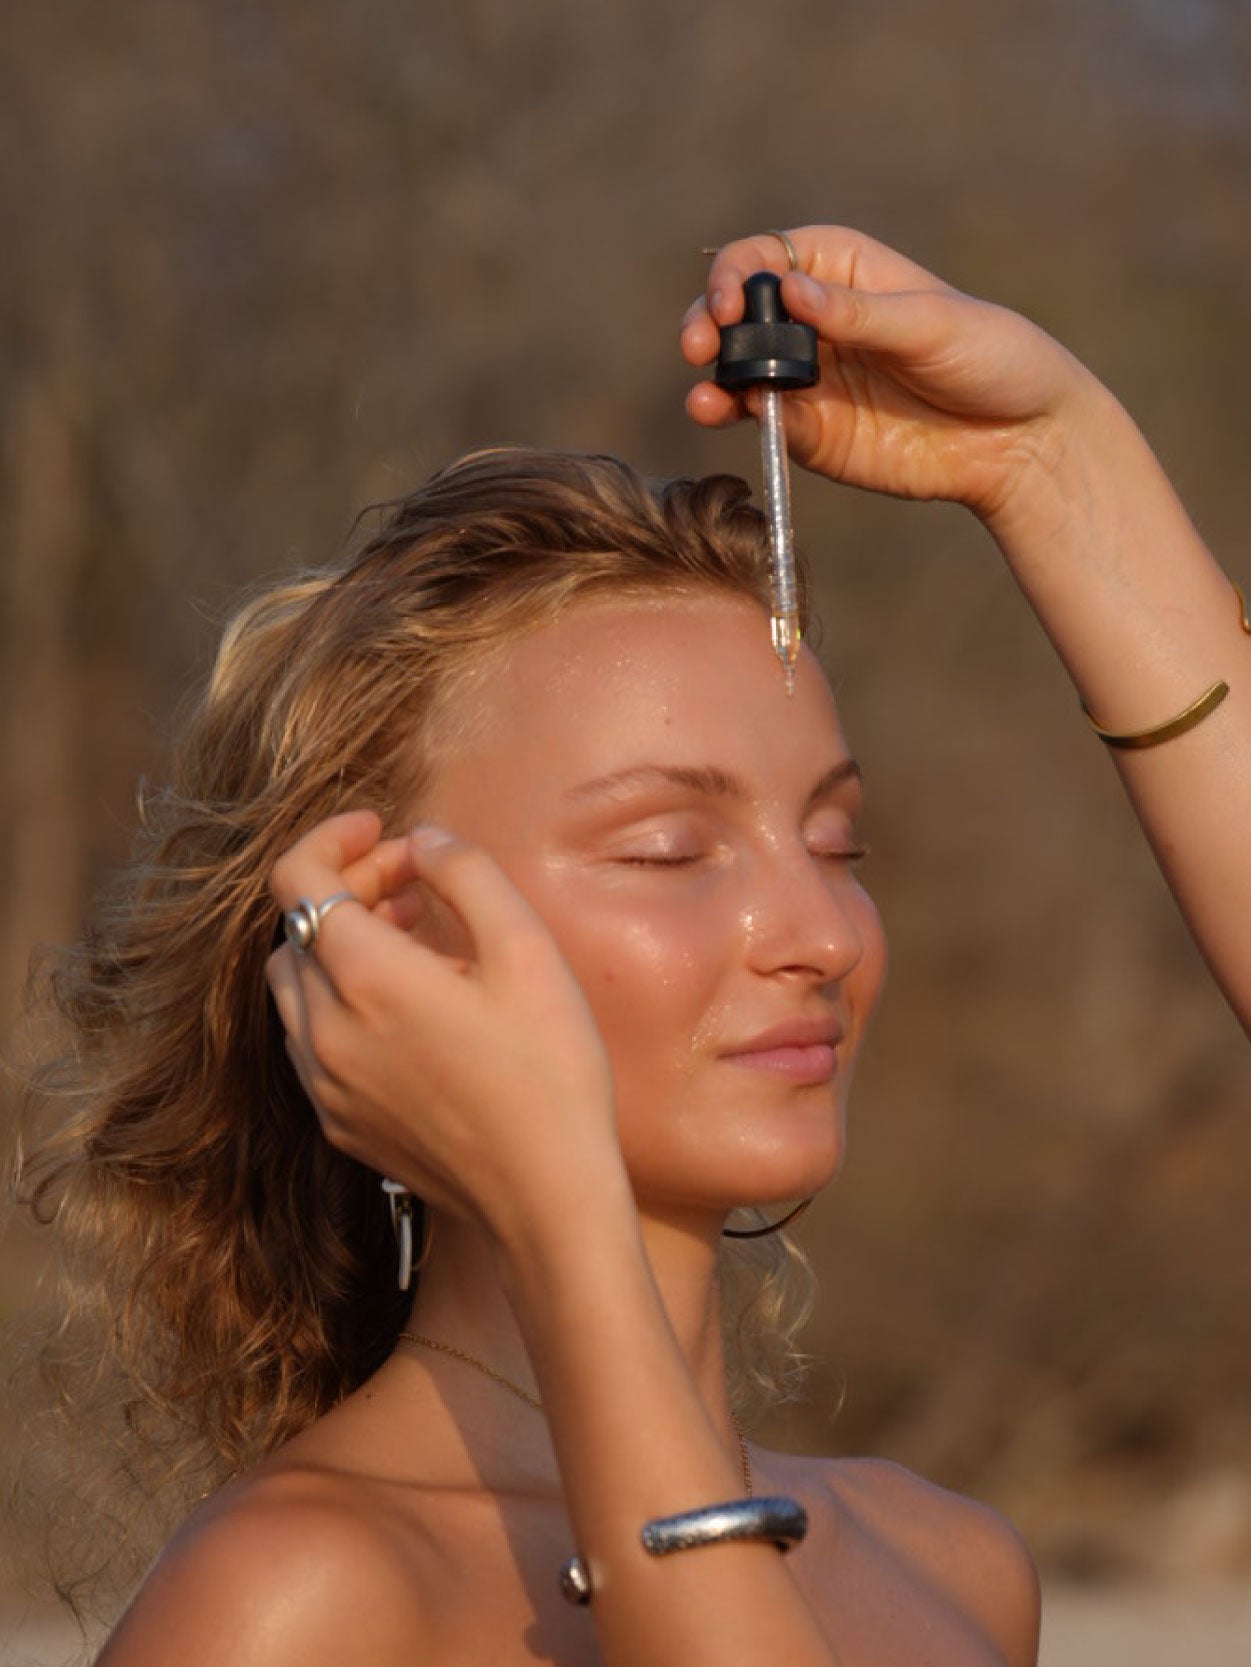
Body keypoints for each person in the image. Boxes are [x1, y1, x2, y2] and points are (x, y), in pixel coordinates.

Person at [16, 225, 1250, 1667]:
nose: (820, 933)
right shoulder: (297, 1605)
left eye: (840, 844)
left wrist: (1054, 462)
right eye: (670, 852)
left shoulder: (948, 1565)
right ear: (386, 951)